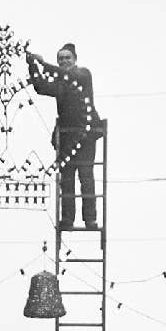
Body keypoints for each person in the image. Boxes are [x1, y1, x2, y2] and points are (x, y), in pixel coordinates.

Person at [27, 41, 101, 232]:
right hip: (67, 137)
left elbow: (68, 75)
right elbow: (41, 87)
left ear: (75, 59)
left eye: (67, 58)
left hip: (86, 135)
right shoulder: (61, 84)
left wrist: (43, 64)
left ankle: (90, 219)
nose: (64, 61)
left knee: (86, 177)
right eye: (60, 59)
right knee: (66, 180)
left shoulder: (83, 74)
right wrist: (32, 65)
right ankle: (67, 219)